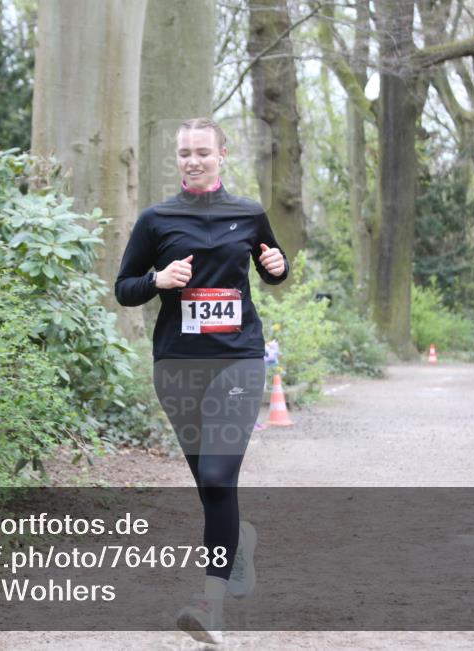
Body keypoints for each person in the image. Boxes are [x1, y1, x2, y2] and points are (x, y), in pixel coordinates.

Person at [115, 117, 289, 644]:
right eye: (185, 153)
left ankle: (209, 604)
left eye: (203, 152)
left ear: (222, 155)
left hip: (237, 359)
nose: (193, 160)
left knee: (217, 476)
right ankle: (240, 542)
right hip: (178, 364)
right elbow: (124, 288)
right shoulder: (157, 219)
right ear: (178, 158)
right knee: (209, 484)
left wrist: (278, 267)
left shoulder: (248, 214)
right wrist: (157, 280)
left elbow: (271, 268)